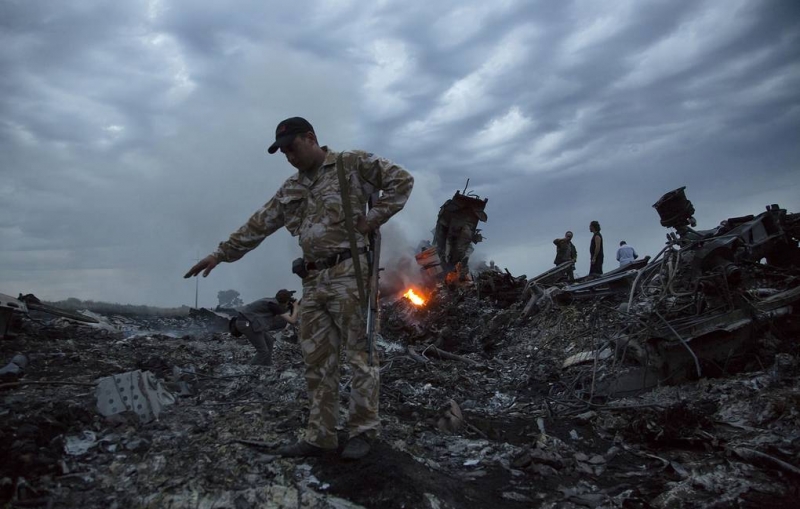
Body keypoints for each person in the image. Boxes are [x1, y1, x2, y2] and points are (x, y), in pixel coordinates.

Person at [184, 117, 413, 460]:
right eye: (283, 152)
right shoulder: (291, 188)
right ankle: (321, 437)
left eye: (292, 148)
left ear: (311, 138)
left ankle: (363, 431)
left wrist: (373, 217)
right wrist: (221, 253)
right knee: (318, 361)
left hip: (351, 274)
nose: (289, 156)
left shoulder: (351, 164)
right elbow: (259, 223)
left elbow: (402, 181)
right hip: (313, 280)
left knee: (361, 356)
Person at [229, 289, 300, 366]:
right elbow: (292, 321)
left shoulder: (271, 302)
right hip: (246, 324)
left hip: (250, 322)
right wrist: (296, 307)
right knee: (263, 351)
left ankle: (267, 364)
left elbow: (280, 310)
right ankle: (249, 369)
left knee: (269, 341)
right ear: (286, 301)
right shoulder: (274, 306)